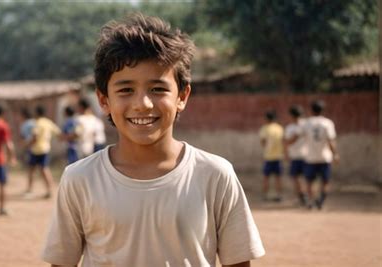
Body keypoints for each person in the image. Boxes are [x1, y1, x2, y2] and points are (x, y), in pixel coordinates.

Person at [42, 13, 265, 267]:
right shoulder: (80, 178)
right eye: (126, 90)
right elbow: (62, 262)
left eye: (158, 89)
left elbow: (237, 262)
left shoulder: (215, 174)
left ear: (182, 96)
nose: (143, 104)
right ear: (104, 100)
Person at [302, 100, 339, 210]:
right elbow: (331, 140)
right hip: (324, 157)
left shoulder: (307, 123)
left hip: (311, 157)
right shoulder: (327, 123)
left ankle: (310, 201)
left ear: (311, 110)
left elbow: (301, 137)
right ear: (322, 110)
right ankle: (321, 200)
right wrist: (335, 154)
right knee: (325, 181)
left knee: (309, 181)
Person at [25, 105, 61, 198]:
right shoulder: (48, 122)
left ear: (37, 113)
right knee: (45, 169)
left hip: (35, 149)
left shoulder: (37, 123)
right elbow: (58, 133)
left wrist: (28, 145)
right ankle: (50, 190)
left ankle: (30, 190)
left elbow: (35, 137)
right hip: (45, 149)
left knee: (31, 170)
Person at [284, 105, 308, 206]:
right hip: (304, 155)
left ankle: (303, 196)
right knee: (304, 178)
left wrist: (286, 153)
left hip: (300, 156)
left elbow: (287, 142)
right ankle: (304, 196)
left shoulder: (291, 128)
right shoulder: (306, 125)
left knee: (297, 178)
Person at [259, 110, 284, 202]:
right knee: (278, 177)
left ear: (266, 118)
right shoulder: (279, 128)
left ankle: (265, 195)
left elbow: (263, 142)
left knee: (266, 177)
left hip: (268, 157)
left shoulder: (265, 128)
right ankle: (279, 195)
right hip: (278, 156)